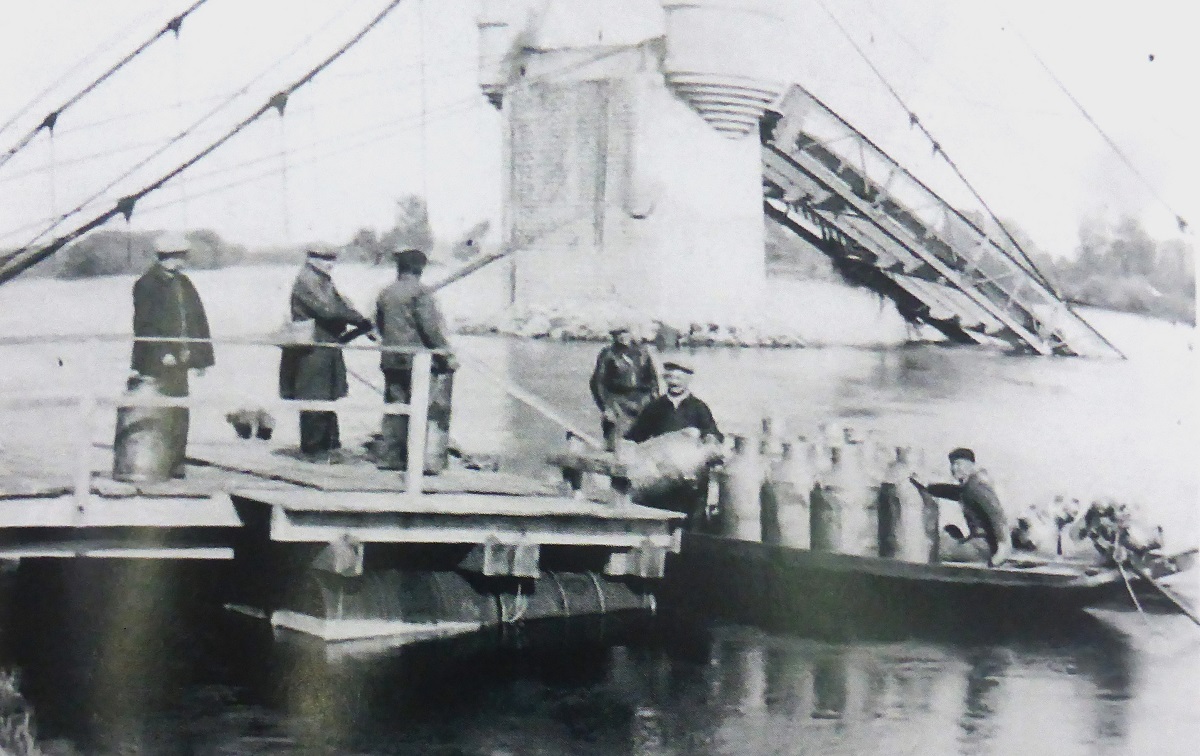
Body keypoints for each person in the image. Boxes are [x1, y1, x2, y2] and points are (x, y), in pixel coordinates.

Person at [130, 232, 214, 478]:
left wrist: (201, 358)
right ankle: (157, 463)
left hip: (182, 361)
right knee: (158, 413)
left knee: (180, 413)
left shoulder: (184, 283)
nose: (182, 262)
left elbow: (198, 320)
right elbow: (144, 325)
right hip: (156, 362)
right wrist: (162, 352)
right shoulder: (146, 284)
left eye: (182, 257)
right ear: (165, 257)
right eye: (179, 257)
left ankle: (177, 463)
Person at [278, 245, 373, 458]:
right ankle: (313, 449)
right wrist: (361, 321)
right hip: (311, 347)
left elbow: (339, 305)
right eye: (325, 258)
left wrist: (363, 322)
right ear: (311, 258)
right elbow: (328, 310)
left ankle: (329, 445)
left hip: (326, 343)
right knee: (314, 395)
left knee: (328, 395)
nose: (331, 263)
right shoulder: (307, 280)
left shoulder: (323, 280)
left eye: (333, 258)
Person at [374, 248, 457, 470]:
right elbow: (430, 328)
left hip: (391, 358)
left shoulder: (386, 292)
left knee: (395, 407)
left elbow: (381, 325)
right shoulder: (421, 292)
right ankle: (421, 461)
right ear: (420, 268)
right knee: (424, 408)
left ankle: (393, 457)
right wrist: (446, 353)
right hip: (417, 361)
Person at [910, 447, 1012, 567]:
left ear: (971, 465)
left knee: (935, 547)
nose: (954, 468)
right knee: (950, 530)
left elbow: (998, 517)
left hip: (982, 548)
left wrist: (1002, 551)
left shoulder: (978, 487)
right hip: (978, 544)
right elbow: (951, 491)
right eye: (952, 464)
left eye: (958, 464)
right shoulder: (968, 488)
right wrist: (927, 486)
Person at [589, 325, 660, 450]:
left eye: (625, 332)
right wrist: (605, 407)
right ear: (613, 336)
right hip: (618, 401)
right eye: (618, 334)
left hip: (641, 400)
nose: (622, 337)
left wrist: (655, 401)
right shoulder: (608, 354)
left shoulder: (642, 353)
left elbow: (653, 379)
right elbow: (597, 383)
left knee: (643, 438)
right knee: (615, 439)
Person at [625, 355, 721, 444]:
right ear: (665, 380)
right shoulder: (655, 407)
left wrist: (707, 436)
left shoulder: (698, 407)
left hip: (689, 457)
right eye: (670, 378)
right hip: (661, 457)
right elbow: (635, 436)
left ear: (688, 380)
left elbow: (714, 434)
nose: (674, 383)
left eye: (679, 379)